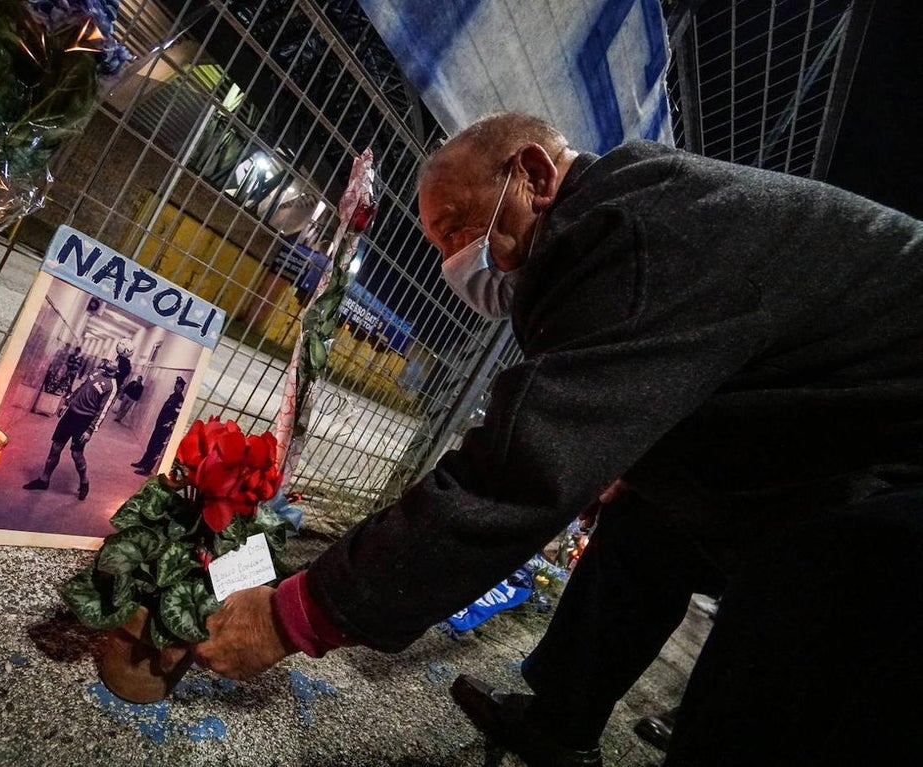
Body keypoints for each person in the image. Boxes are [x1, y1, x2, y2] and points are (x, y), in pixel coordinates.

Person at [189, 112, 923, 765]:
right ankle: (560, 725)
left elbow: (518, 471)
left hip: (897, 467)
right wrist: (630, 460)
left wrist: (296, 614)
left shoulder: (632, 236)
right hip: (828, 432)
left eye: (458, 228)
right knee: (649, 516)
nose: (453, 259)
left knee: (793, 626)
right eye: (439, 242)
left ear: (535, 176)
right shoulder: (627, 212)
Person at [24, 357, 119, 500]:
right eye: (112, 360)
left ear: (118, 368)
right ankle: (44, 480)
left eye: (116, 362)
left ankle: (84, 482)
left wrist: (90, 430)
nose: (112, 362)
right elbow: (80, 388)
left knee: (76, 454)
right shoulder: (97, 372)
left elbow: (103, 410)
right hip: (70, 414)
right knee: (55, 448)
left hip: (84, 421)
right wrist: (67, 402)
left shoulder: (112, 386)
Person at [131, 376, 186, 475]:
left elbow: (176, 415)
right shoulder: (173, 396)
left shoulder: (179, 400)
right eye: (176, 384)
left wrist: (167, 425)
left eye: (177, 385)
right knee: (151, 445)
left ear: (181, 387)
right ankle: (142, 463)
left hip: (164, 429)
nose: (175, 386)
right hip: (159, 425)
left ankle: (147, 469)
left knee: (156, 449)